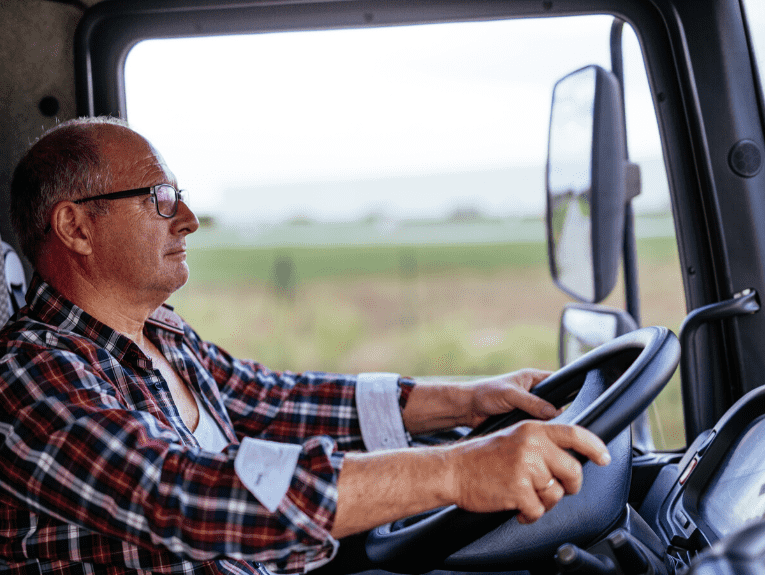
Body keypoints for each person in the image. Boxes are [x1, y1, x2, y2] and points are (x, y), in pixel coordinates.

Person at [0, 117, 610, 575]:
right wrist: (457, 471)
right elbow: (184, 494)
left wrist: (468, 401)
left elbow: (273, 401)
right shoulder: (29, 376)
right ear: (76, 227)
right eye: (159, 198)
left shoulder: (160, 332)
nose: (186, 218)